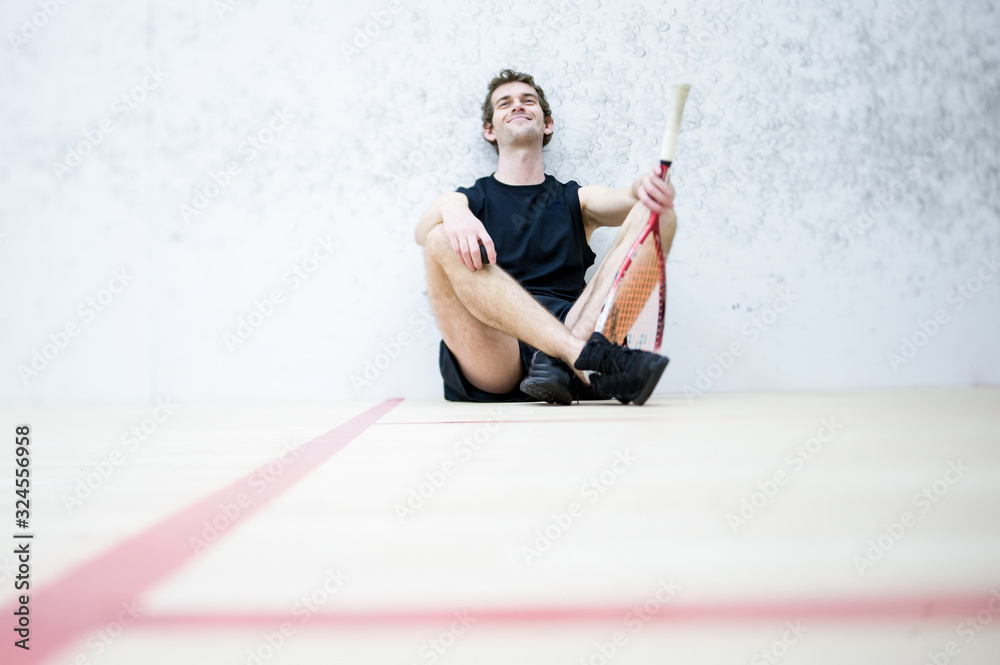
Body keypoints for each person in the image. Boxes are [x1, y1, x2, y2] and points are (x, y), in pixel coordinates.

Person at [414, 69, 677, 405]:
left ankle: (566, 355)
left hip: (577, 322)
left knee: (659, 213)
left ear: (547, 123)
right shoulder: (470, 200)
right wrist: (451, 207)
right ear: (489, 130)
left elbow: (628, 202)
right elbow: (422, 234)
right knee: (439, 238)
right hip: (498, 355)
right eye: (504, 103)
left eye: (528, 101)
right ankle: (578, 355)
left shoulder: (576, 199)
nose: (517, 106)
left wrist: (644, 189)